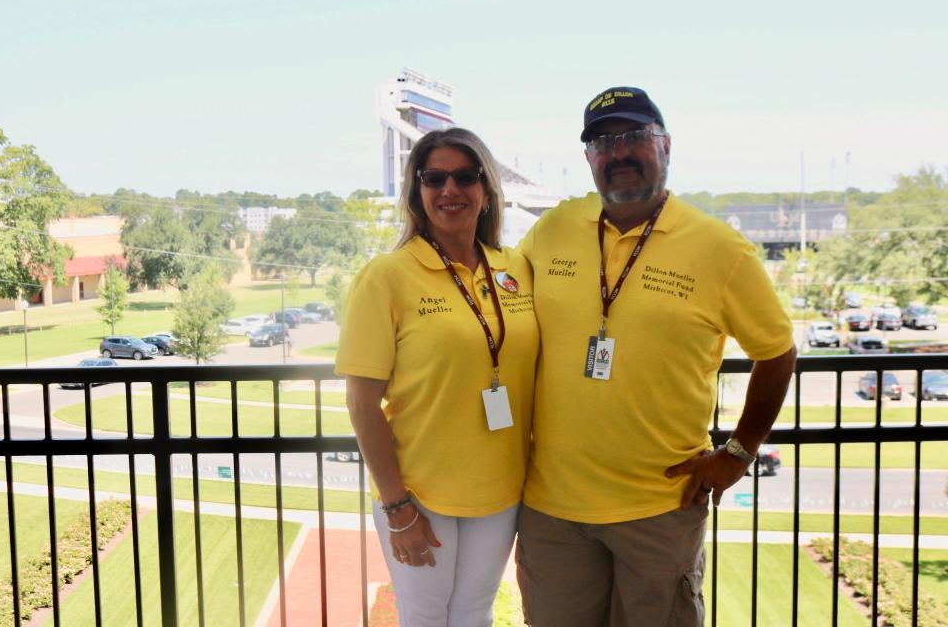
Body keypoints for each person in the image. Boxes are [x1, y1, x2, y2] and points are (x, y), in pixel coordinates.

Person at [515, 87, 797, 626]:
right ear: (588, 159)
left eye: (634, 137)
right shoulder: (552, 229)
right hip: (552, 509)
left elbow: (776, 353)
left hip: (660, 508)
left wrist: (738, 452)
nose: (618, 152)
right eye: (602, 142)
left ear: (665, 145)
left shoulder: (719, 248)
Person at [336, 127, 538, 626]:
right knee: (425, 617)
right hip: (420, 492)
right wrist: (396, 505)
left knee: (475, 613)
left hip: (500, 488)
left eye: (465, 177)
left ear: (486, 191)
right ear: (417, 192)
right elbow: (363, 403)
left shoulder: (515, 269)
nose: (450, 190)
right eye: (435, 178)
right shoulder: (387, 276)